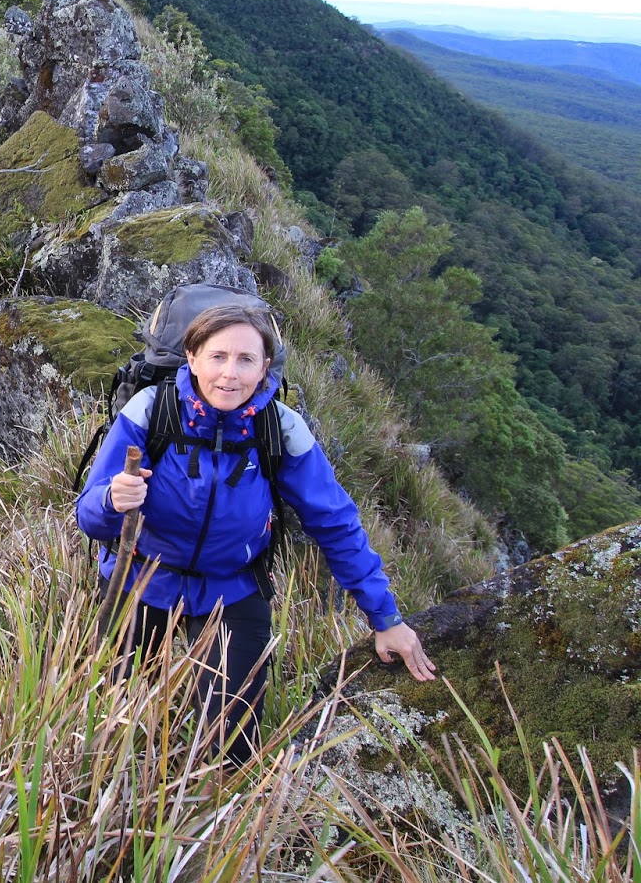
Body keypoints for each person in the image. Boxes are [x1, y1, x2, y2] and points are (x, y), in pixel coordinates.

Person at [76, 301, 435, 768]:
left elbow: (335, 523)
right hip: (141, 576)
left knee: (231, 750)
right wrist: (111, 501)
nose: (230, 374)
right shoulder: (151, 411)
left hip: (234, 586)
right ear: (192, 357)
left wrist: (385, 619)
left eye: (246, 359)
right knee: (108, 719)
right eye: (218, 356)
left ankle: (207, 826)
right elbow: (89, 516)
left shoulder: (279, 429)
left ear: (266, 367)